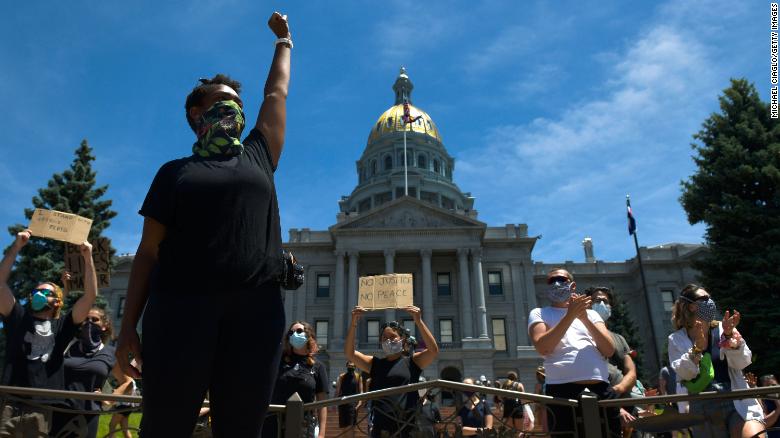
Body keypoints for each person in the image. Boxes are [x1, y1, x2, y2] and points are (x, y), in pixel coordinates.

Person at [114, 11, 293, 438]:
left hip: (256, 313)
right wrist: (126, 330)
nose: (232, 103)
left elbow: (276, 93)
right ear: (196, 113)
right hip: (181, 309)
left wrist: (284, 42)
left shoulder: (259, 155)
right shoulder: (174, 172)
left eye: (237, 100)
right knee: (167, 425)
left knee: (241, 428)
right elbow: (148, 253)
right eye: (221, 98)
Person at [0, 230, 97, 436]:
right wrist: (16, 247)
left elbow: (89, 297)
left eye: (46, 292)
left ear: (57, 301)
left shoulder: (63, 326)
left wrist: (88, 258)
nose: (39, 294)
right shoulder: (18, 318)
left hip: (42, 408)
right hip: (8, 404)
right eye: (36, 291)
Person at [667, 284, 764, 438]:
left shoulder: (723, 328)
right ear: (691, 306)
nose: (710, 301)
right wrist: (697, 349)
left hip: (735, 400)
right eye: (704, 299)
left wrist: (729, 338)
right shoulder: (676, 339)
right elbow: (685, 374)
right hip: (702, 406)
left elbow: (743, 362)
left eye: (709, 298)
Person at [527, 268, 615, 438]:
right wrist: (570, 316)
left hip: (600, 389)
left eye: (560, 279)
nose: (556, 284)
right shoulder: (539, 313)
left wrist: (583, 318)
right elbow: (543, 347)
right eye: (551, 281)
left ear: (572, 285)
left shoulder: (591, 314)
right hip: (562, 391)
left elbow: (608, 349)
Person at [345, 305, 440, 438]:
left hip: (406, 428)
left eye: (393, 336)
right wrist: (354, 323)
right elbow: (349, 353)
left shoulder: (412, 362)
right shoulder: (375, 364)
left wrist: (418, 320)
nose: (388, 340)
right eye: (384, 337)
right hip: (381, 429)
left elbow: (433, 351)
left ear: (402, 340)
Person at [52, 306, 117, 437]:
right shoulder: (69, 346)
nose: (89, 323)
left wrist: (108, 399)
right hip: (59, 410)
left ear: (104, 326)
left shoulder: (111, 352)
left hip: (88, 415)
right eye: (86, 319)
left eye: (95, 319)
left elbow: (128, 381)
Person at [262, 321, 329, 438]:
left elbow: (322, 404)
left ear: (309, 335)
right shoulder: (278, 361)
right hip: (274, 424)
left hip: (303, 426)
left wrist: (322, 434)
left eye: (299, 331)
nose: (294, 335)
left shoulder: (318, 366)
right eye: (291, 333)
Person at [586, 286, 637, 435]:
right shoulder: (582, 336)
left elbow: (631, 371)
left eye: (605, 301)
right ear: (588, 304)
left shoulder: (619, 338)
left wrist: (618, 389)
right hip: (601, 410)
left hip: (627, 406)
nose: (602, 304)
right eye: (597, 300)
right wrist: (614, 405)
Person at [104, 365, 139, 438]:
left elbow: (128, 387)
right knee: (124, 428)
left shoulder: (128, 381)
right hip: (128, 405)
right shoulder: (129, 378)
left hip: (123, 405)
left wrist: (116, 392)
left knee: (112, 426)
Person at [335, 361, 363, 430]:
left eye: (352, 366)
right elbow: (338, 391)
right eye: (349, 366)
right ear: (347, 366)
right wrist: (335, 403)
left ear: (355, 367)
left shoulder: (358, 377)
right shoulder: (342, 376)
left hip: (353, 404)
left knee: (351, 427)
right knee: (343, 427)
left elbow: (361, 391)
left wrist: (360, 403)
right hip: (343, 404)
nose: (351, 368)